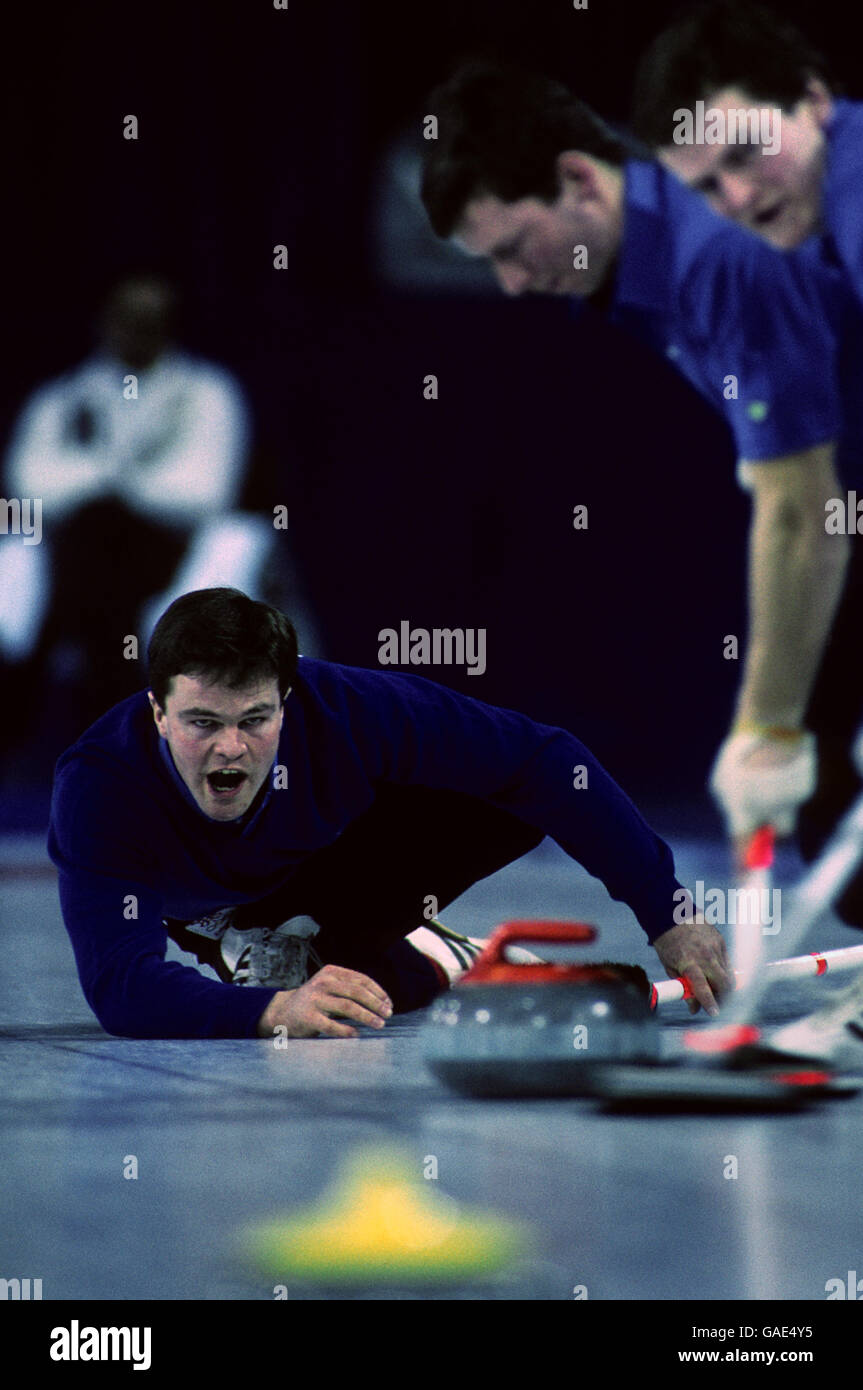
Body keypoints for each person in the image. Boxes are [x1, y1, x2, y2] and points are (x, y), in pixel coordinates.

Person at [420, 60, 855, 884]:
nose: (511, 285)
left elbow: (802, 512)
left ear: (578, 179)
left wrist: (764, 726)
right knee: (828, 789)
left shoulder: (714, 253)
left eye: (513, 248)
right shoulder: (649, 268)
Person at [47, 586, 729, 1040]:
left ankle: (361, 941)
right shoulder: (99, 786)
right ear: (156, 714)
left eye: (255, 719)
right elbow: (119, 984)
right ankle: (413, 952)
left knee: (516, 789)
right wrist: (271, 1009)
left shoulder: (346, 708)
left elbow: (550, 762)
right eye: (201, 721)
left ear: (289, 701)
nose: (230, 748)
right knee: (316, 988)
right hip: (216, 903)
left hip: (334, 860)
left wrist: (667, 911)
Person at [631, 1, 863, 925]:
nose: (735, 197)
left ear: (812, 98)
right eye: (705, 184)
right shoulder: (816, 231)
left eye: (742, 153)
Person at [0, 273, 275, 745]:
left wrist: (106, 476)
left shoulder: (207, 394)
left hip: (169, 551)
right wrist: (118, 476)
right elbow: (27, 488)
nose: (136, 330)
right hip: (73, 556)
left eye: (151, 320)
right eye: (127, 319)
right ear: (106, 321)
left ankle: (109, 718)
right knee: (92, 539)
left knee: (107, 534)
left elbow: (204, 492)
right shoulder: (63, 398)